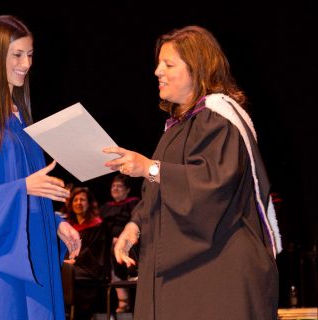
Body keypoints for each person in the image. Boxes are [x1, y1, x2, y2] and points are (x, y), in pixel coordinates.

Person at [103, 25, 282, 320]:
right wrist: (136, 226)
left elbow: (211, 185)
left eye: (169, 64)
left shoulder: (218, 119)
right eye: (159, 63)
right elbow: (164, 189)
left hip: (219, 270)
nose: (157, 71)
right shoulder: (179, 127)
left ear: (198, 69)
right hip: (190, 272)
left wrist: (148, 166)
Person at [0, 15, 81, 320]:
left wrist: (55, 221)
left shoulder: (22, 123)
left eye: (30, 55)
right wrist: (23, 188)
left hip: (34, 260)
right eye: (17, 55)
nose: (27, 64)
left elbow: (28, 191)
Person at [64, 187, 111, 320]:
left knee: (73, 277)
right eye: (76, 200)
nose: (79, 203)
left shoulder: (97, 225)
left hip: (89, 269)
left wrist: (74, 261)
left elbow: (96, 252)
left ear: (89, 203)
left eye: (82, 200)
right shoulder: (67, 226)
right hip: (70, 266)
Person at [100, 174, 140, 313]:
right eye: (113, 186)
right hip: (108, 245)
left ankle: (128, 301)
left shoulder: (134, 204)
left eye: (119, 186)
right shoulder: (105, 207)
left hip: (131, 242)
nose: (115, 188)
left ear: (128, 190)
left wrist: (121, 237)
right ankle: (122, 300)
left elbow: (136, 224)